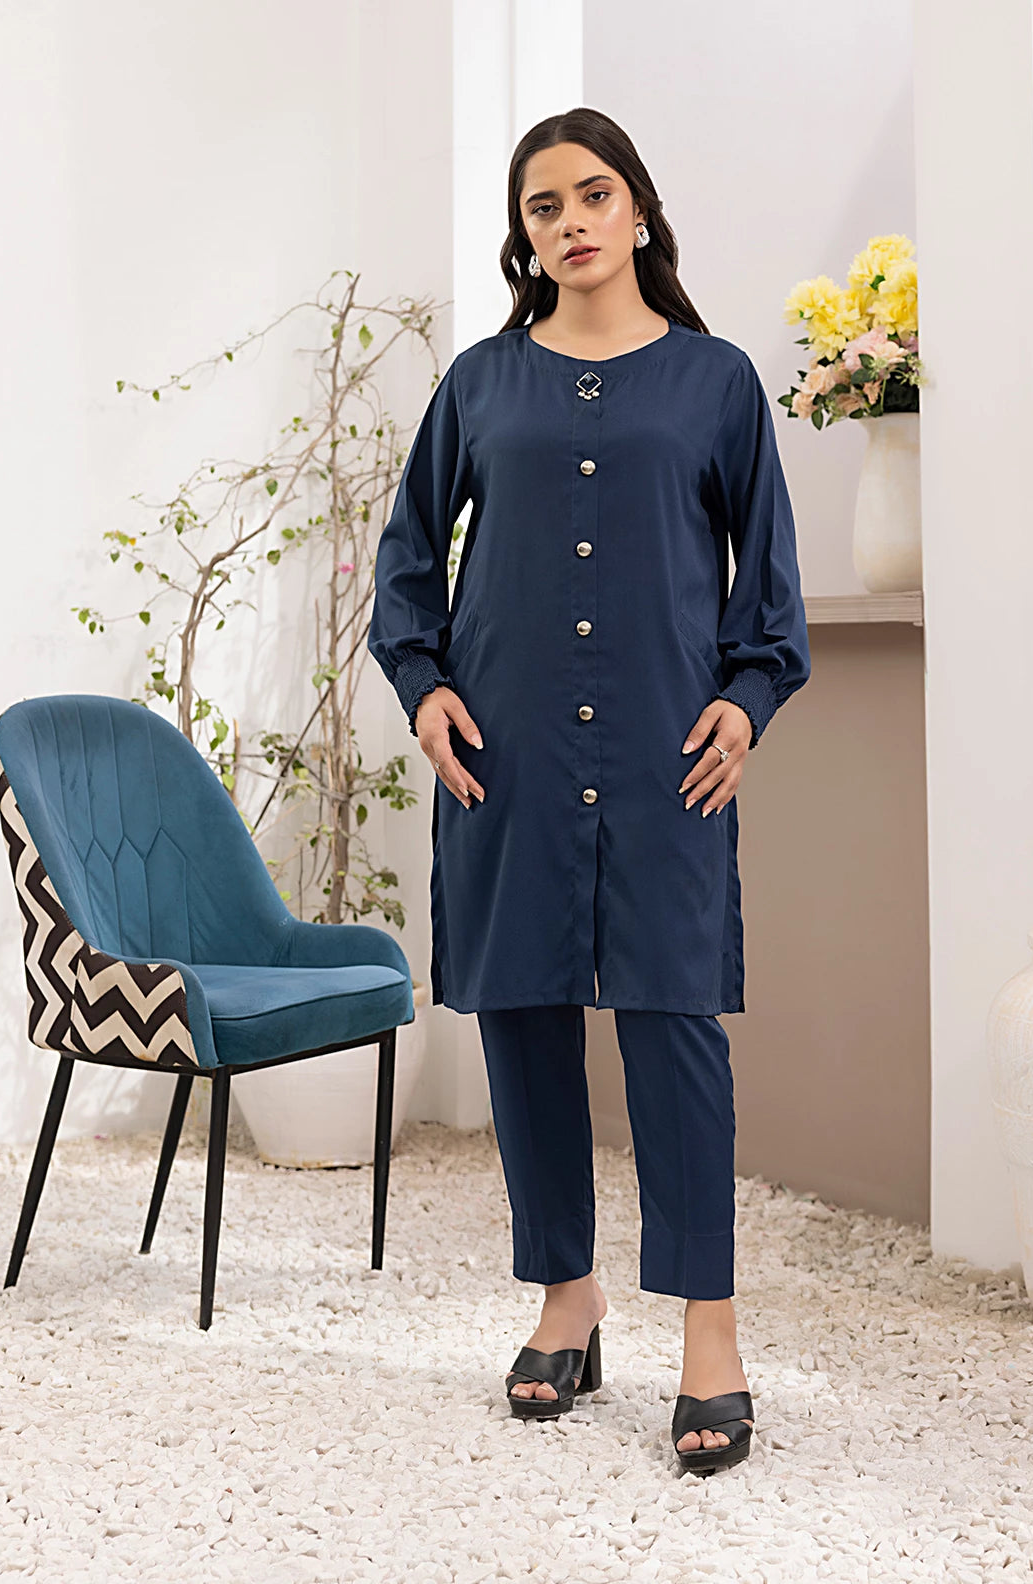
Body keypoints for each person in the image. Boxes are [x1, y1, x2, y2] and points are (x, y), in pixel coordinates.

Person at [367, 106, 810, 1476]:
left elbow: (768, 590)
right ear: (525, 234)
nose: (570, 222)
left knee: (675, 1027)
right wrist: (422, 685)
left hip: (666, 759)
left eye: (594, 195)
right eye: (544, 205)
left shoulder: (714, 382)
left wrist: (745, 700)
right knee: (522, 1019)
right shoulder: (481, 385)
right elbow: (407, 562)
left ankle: (710, 1333)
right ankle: (568, 1297)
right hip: (506, 754)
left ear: (638, 211)